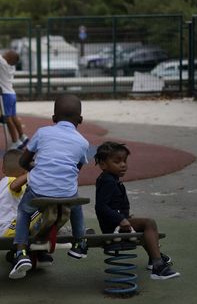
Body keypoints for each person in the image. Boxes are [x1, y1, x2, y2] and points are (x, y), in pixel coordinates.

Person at [9, 94, 90, 280]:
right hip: (67, 193)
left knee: (24, 212)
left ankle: (20, 253)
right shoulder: (83, 142)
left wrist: (36, 169)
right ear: (81, 120)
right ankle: (80, 242)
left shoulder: (42, 132)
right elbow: (75, 171)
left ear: (53, 118)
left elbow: (23, 161)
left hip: (38, 190)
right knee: (76, 204)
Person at [94, 141, 180, 280]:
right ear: (103, 164)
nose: (123, 164)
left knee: (144, 227)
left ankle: (154, 259)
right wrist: (121, 219)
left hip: (116, 223)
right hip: (113, 227)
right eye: (117, 161)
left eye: (124, 161)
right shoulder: (108, 181)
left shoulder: (111, 179)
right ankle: (158, 265)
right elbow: (101, 207)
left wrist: (125, 216)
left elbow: (113, 204)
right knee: (149, 223)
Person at [0, 149, 54, 267]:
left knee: (31, 212)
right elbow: (15, 187)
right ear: (25, 170)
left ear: (3, 169)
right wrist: (32, 174)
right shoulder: (13, 182)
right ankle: (47, 242)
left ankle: (37, 253)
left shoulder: (0, 183)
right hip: (8, 229)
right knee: (46, 208)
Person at [0, 49, 28, 149]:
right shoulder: (12, 67)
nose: (4, 53)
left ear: (8, 58)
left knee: (8, 119)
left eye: (6, 53)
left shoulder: (3, 63)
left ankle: (15, 141)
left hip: (6, 94)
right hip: (11, 94)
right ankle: (22, 136)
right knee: (14, 117)